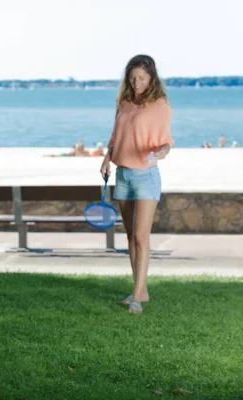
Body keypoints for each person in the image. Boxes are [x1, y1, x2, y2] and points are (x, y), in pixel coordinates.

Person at [99, 54, 173, 314]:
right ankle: (139, 291)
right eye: (132, 78)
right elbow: (114, 138)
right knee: (131, 237)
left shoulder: (160, 105)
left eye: (141, 78)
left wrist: (162, 152)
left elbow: (166, 141)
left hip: (146, 177)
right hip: (122, 175)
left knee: (142, 236)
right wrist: (107, 159)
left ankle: (137, 299)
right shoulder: (125, 103)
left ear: (152, 77)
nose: (137, 82)